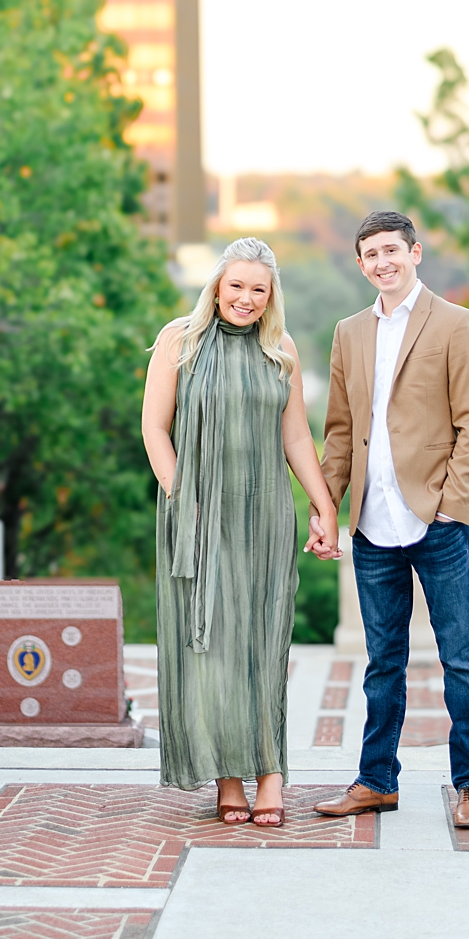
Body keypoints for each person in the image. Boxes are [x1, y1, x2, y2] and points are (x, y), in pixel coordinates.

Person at [142, 237, 341, 827]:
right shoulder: (180, 340)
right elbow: (155, 430)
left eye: (259, 289)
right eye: (237, 286)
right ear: (217, 286)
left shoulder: (280, 348)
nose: (246, 299)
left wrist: (324, 505)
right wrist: (185, 500)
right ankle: (229, 776)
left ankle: (270, 773)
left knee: (263, 639)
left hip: (264, 516)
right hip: (196, 515)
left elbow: (297, 437)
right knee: (213, 648)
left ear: (271, 294)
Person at [312, 210, 469, 830]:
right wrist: (327, 510)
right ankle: (375, 781)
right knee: (382, 663)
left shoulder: (455, 323)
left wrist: (452, 506)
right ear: (361, 265)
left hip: (437, 522)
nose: (382, 262)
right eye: (371, 255)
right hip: (373, 524)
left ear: (415, 253)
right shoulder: (348, 333)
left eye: (392, 250)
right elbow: (339, 432)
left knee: (460, 659)